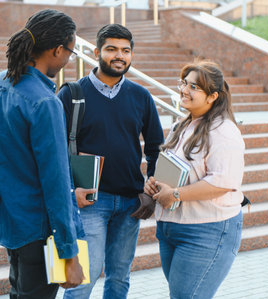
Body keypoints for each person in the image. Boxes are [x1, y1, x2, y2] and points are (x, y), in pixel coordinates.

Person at [0, 9, 85, 298]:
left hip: (11, 221)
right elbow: (56, 183)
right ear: (56, 50)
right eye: (70, 52)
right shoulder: (45, 102)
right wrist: (69, 253)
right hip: (39, 232)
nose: (68, 60)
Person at [57, 24, 164, 299]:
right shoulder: (72, 94)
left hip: (130, 202)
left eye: (126, 51)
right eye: (112, 49)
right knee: (83, 280)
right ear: (96, 52)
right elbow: (54, 150)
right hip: (90, 201)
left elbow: (155, 148)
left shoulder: (141, 96)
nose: (120, 56)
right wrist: (71, 190)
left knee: (119, 278)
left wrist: (149, 189)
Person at [144, 60, 245, 299]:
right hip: (171, 227)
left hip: (206, 230)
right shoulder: (182, 124)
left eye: (194, 87)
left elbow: (223, 181)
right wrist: (154, 182)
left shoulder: (223, 130)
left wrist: (176, 194)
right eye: (184, 83)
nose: (184, 90)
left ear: (212, 96)